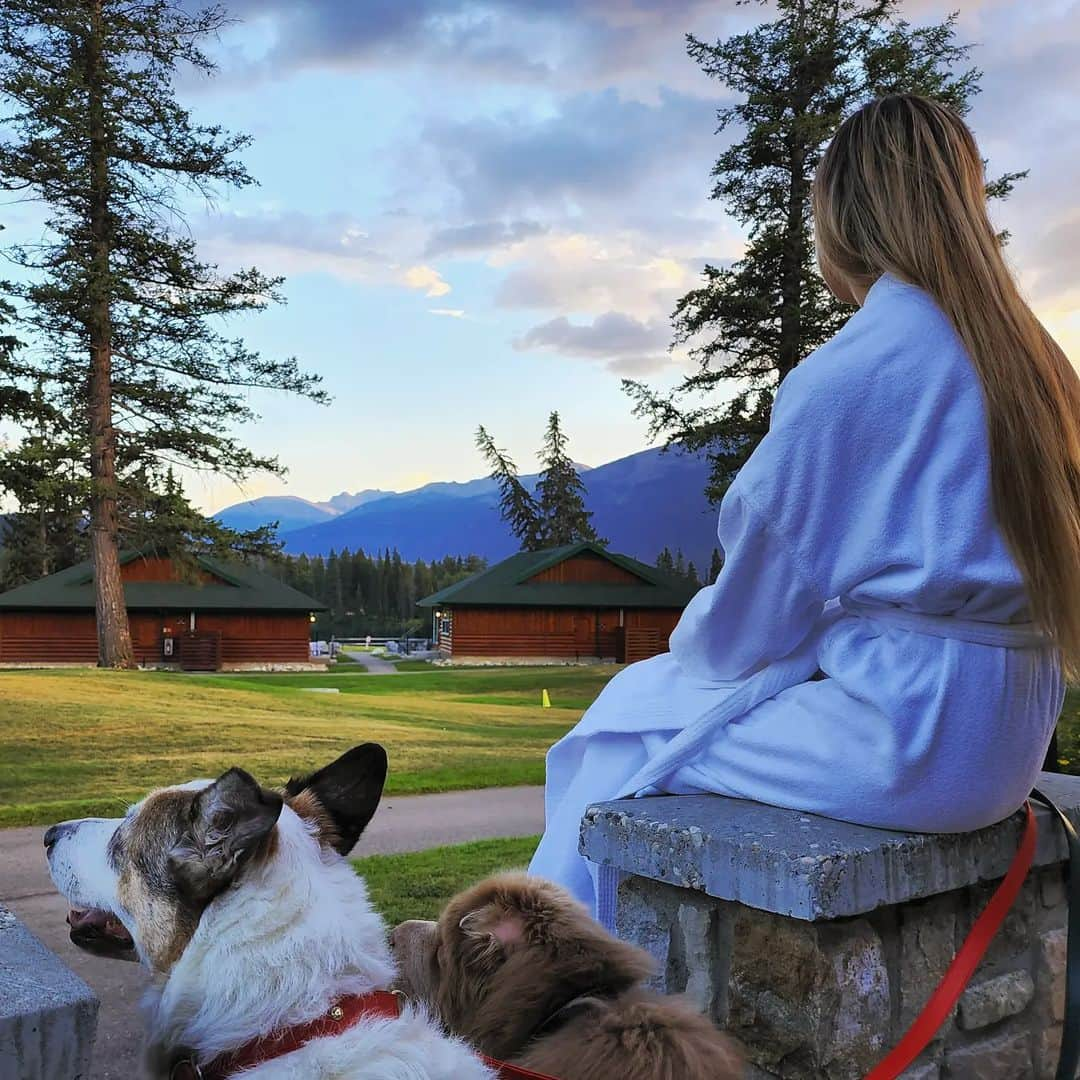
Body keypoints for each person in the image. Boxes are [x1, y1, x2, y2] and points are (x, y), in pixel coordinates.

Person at [529, 93, 1080, 922]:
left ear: (843, 221)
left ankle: (549, 976)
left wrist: (696, 637)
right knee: (655, 710)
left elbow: (745, 627)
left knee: (625, 724)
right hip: (1010, 727)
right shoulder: (1037, 364)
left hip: (913, 737)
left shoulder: (855, 374)